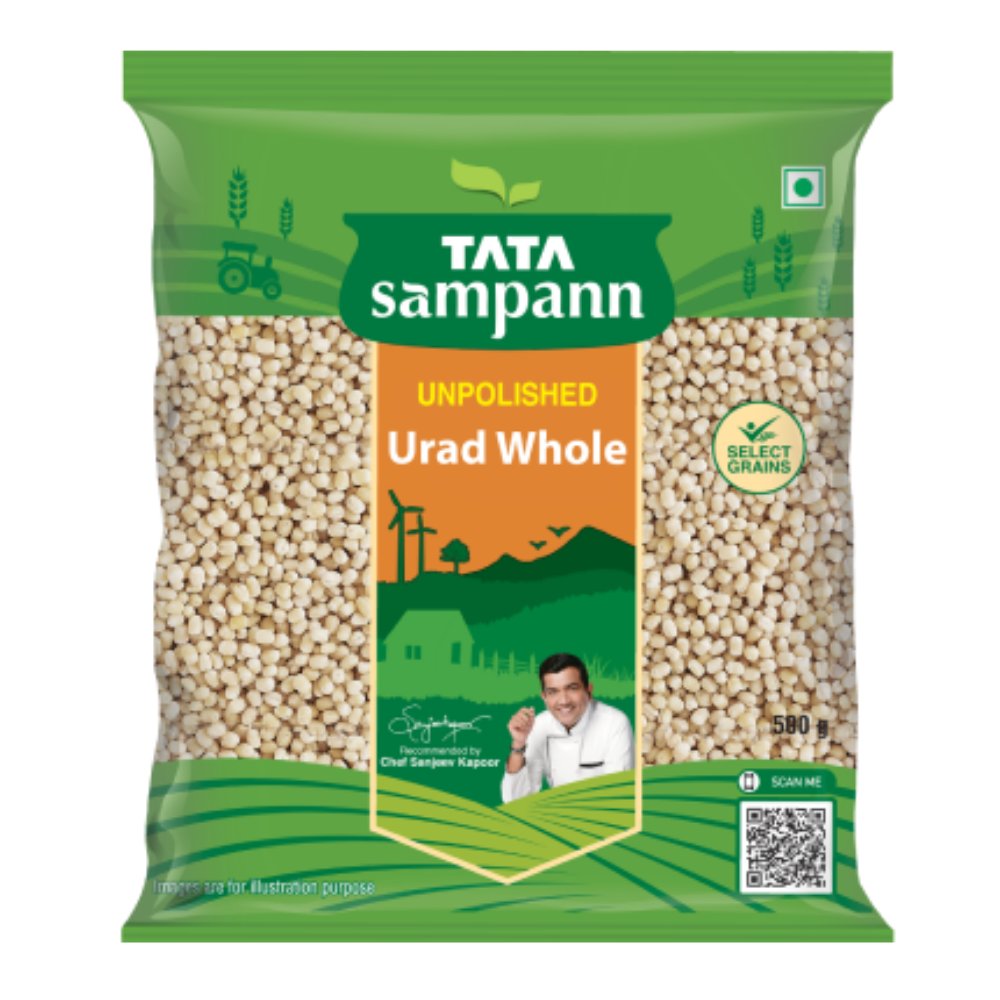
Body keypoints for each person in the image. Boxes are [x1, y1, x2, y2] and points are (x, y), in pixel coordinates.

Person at [501, 653, 634, 803]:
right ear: (544, 697)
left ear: (589, 691)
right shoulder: (538, 725)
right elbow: (515, 801)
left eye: (572, 688)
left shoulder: (614, 723)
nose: (564, 701)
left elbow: (619, 795)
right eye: (553, 692)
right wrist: (518, 744)